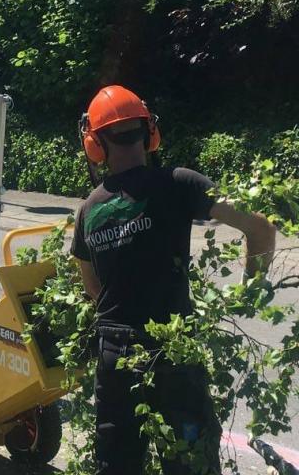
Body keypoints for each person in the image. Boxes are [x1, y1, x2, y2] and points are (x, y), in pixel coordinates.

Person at [70, 85, 277, 475]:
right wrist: (250, 291)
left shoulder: (88, 210)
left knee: (117, 464)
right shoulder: (180, 182)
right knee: (188, 460)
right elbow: (261, 228)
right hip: (173, 349)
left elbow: (92, 289)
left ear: (94, 145)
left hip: (115, 354)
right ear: (150, 133)